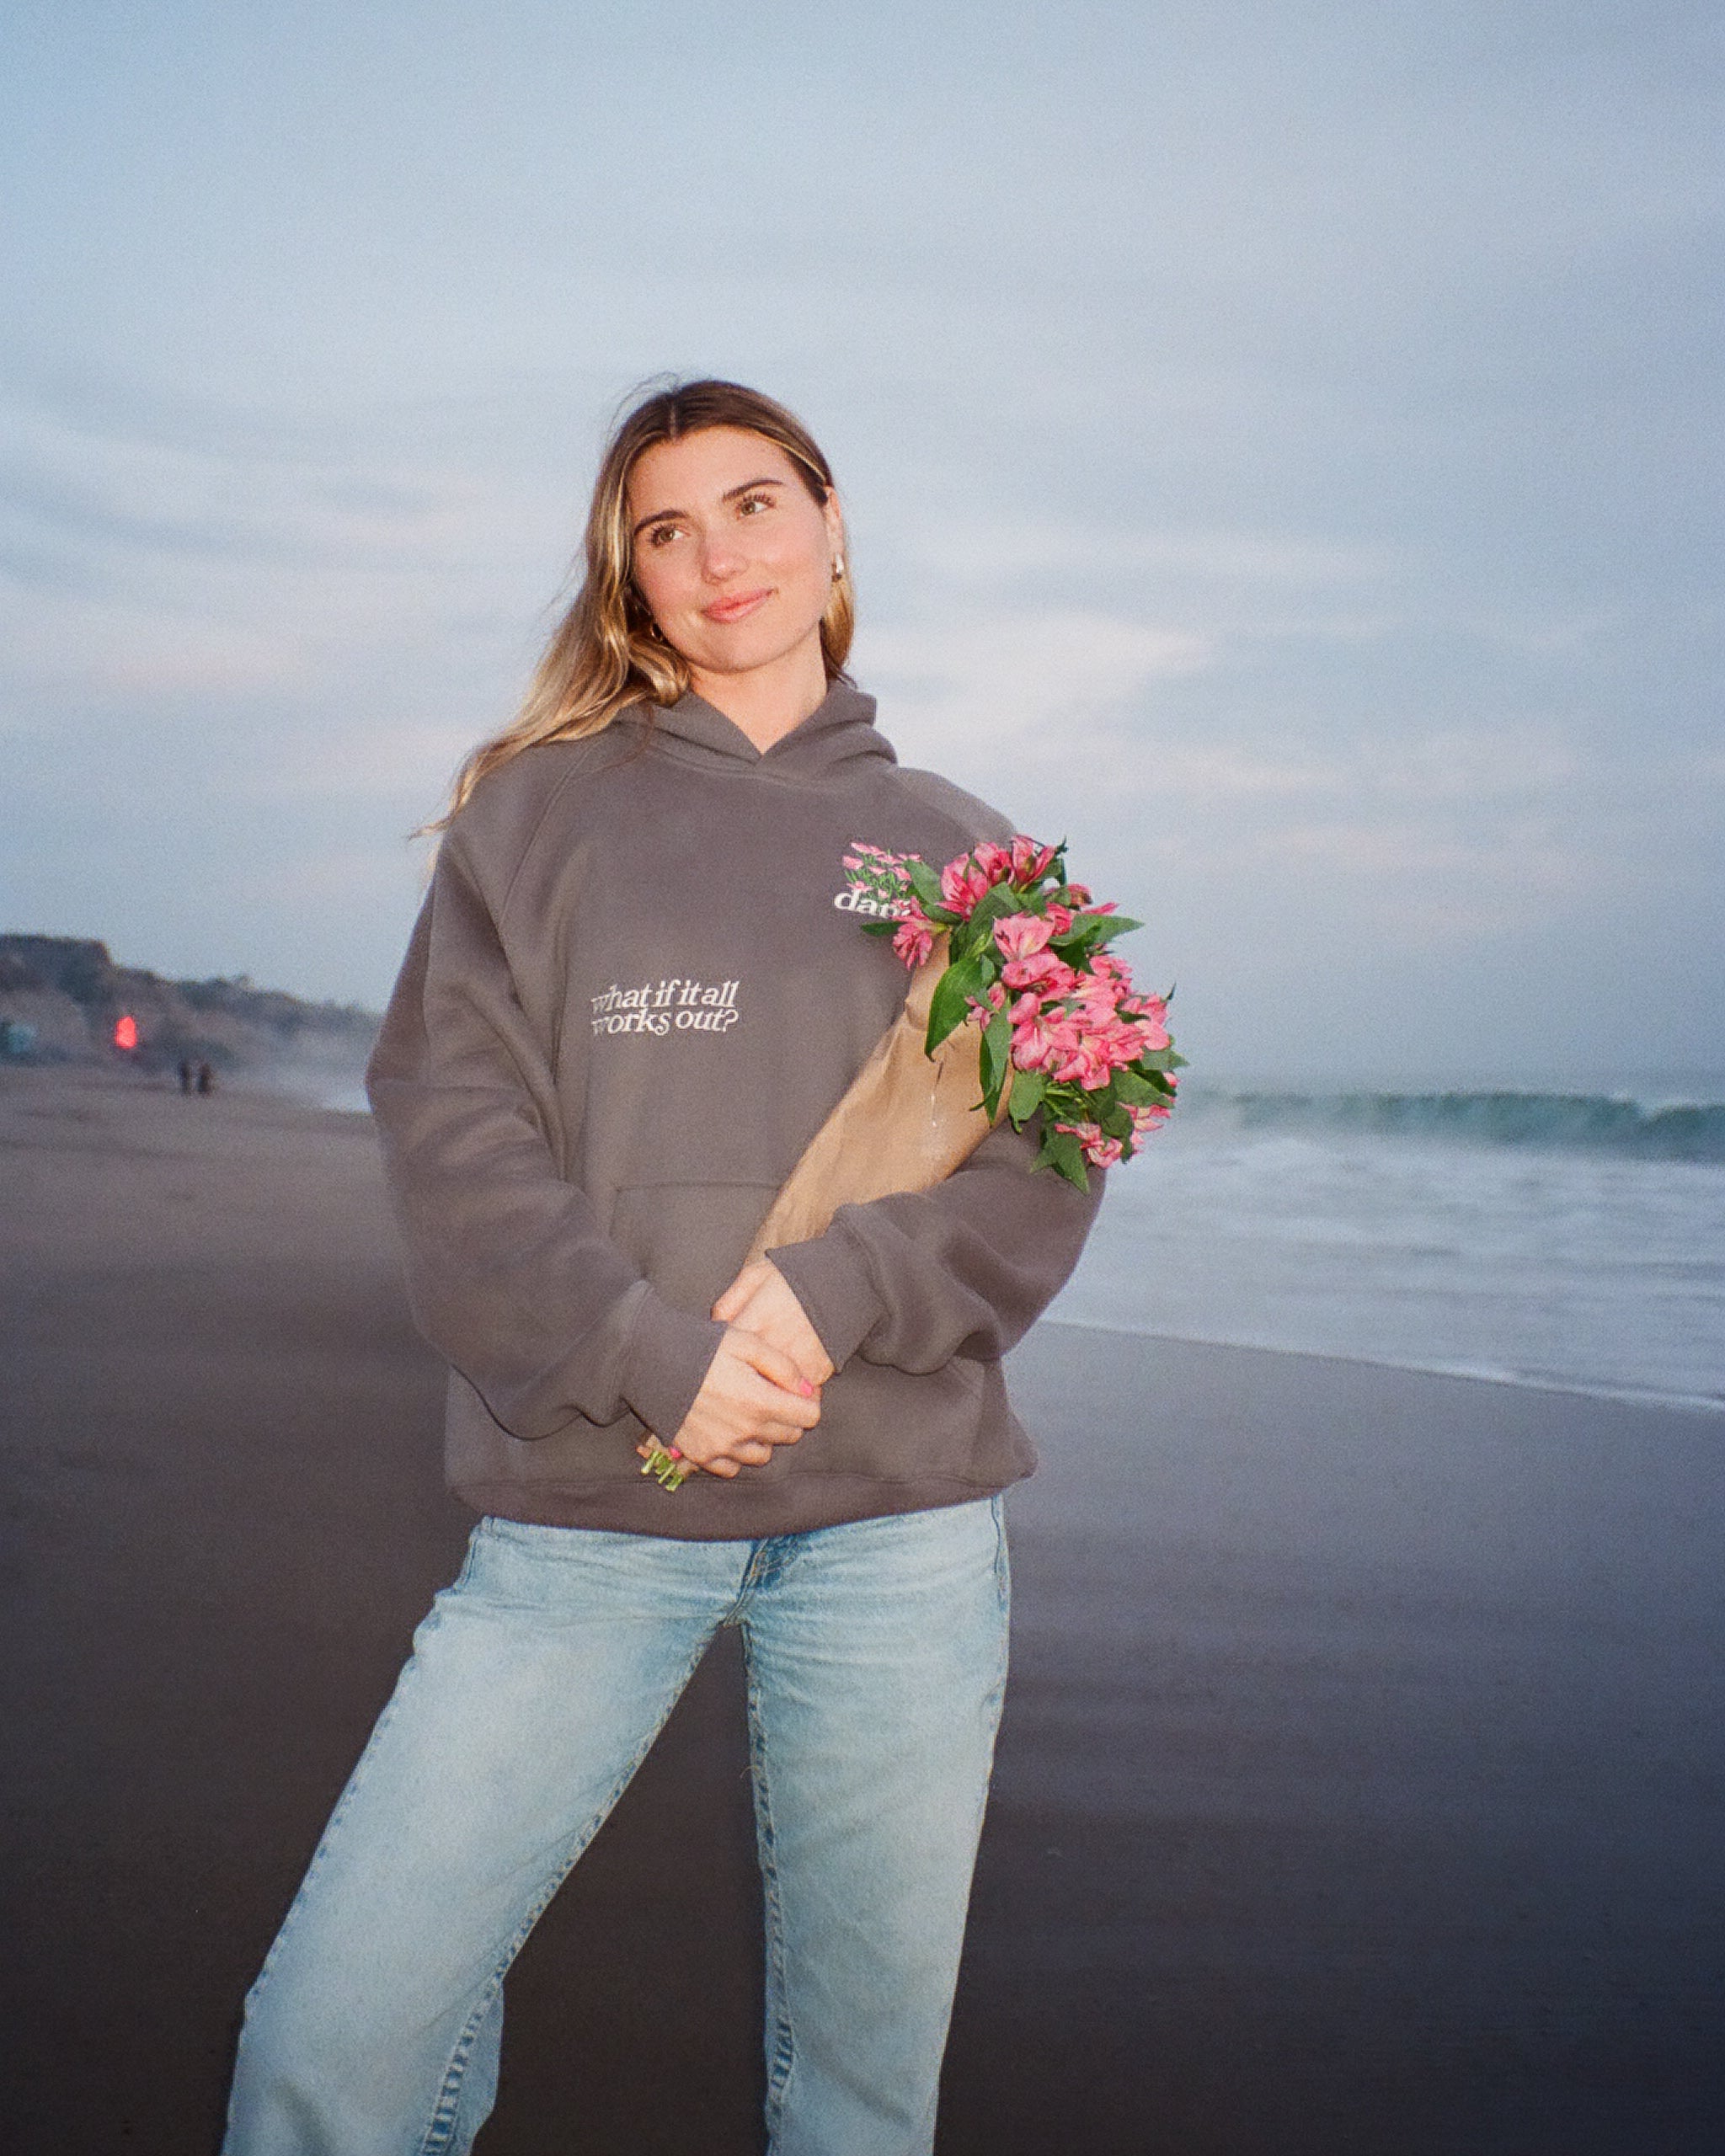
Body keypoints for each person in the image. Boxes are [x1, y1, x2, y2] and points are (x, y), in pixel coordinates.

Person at [223, 380, 1103, 2155]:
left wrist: (840, 1291)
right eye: (666, 528)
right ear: (628, 581)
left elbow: (1048, 1157)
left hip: (897, 1525)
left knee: (861, 2097)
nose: (720, 555)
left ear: (834, 525)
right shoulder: (529, 826)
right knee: (333, 2047)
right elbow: (455, 1134)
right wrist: (645, 1345)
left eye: (755, 503)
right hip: (585, 1514)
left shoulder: (980, 855)